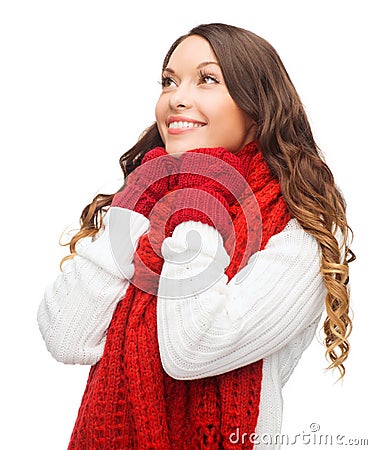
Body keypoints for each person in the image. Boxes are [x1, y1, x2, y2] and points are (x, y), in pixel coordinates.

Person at [38, 23, 354, 449]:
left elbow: (192, 350)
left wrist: (198, 199)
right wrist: (132, 204)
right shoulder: (146, 201)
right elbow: (66, 335)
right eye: (169, 81)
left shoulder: (297, 236)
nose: (177, 97)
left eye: (207, 79)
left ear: (256, 109)